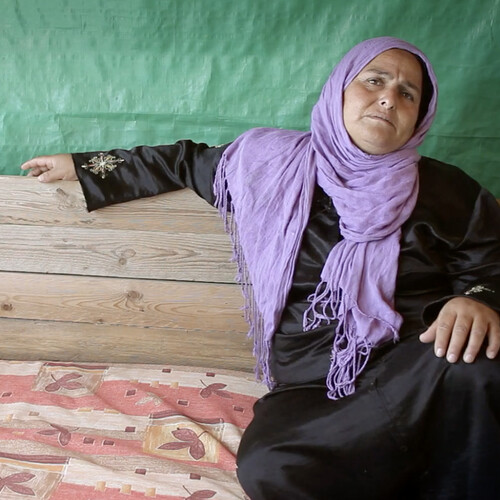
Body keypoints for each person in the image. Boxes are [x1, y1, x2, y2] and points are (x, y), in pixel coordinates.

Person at [21, 37, 500, 499]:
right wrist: (85, 166)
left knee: (475, 366)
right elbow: (180, 162)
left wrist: (475, 299)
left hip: (412, 370)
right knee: (269, 465)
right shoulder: (268, 165)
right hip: (312, 387)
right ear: (339, 90)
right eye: (373, 81)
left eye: (407, 92)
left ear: (419, 116)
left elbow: (489, 263)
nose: (388, 99)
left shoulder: (448, 191)